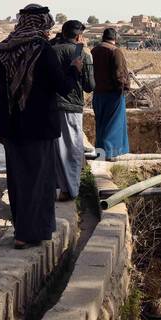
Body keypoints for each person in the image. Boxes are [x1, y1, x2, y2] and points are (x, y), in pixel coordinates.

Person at [0, 4, 81, 248]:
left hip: (10, 128)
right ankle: (34, 233)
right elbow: (62, 86)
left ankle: (21, 233)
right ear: (42, 24)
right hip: (39, 128)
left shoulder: (0, 50)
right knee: (40, 181)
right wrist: (74, 70)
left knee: (19, 180)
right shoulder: (42, 50)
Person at [50, 19, 94, 200]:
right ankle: (71, 190)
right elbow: (89, 86)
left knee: (55, 148)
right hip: (72, 107)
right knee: (73, 149)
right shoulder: (81, 53)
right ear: (78, 35)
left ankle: (57, 187)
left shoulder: (51, 51)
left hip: (51, 106)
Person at [91, 27, 131, 159]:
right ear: (115, 38)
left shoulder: (94, 51)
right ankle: (109, 154)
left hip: (98, 94)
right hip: (113, 94)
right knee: (113, 125)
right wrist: (124, 87)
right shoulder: (115, 51)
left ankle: (100, 153)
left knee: (101, 124)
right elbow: (119, 74)